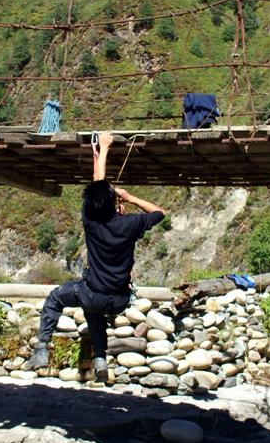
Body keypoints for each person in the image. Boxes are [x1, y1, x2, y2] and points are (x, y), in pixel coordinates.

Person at [25, 132, 166, 381]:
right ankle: (100, 358)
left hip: (92, 294)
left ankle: (41, 348)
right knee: (93, 312)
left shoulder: (90, 220)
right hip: (119, 299)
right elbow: (159, 212)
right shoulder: (130, 224)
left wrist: (103, 149)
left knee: (56, 298)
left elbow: (97, 185)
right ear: (114, 202)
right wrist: (129, 197)